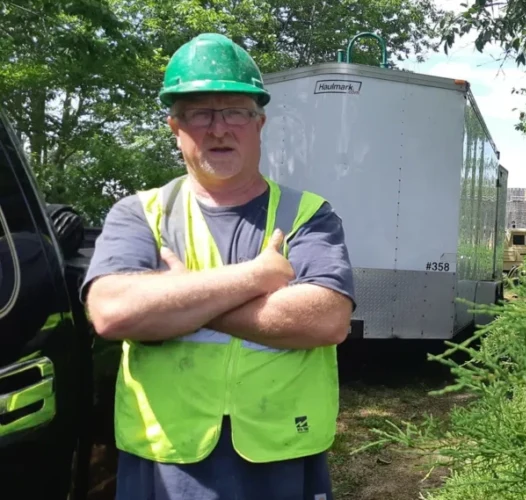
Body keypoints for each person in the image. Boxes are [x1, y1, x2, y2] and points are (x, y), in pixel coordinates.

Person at [81, 33, 355, 500]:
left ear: (259, 123)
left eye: (234, 112)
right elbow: (112, 312)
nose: (219, 128)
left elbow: (327, 318)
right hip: (167, 458)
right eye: (200, 114)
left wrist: (179, 299)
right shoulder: (140, 214)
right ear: (175, 125)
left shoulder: (308, 214)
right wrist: (254, 278)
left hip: (281, 454)